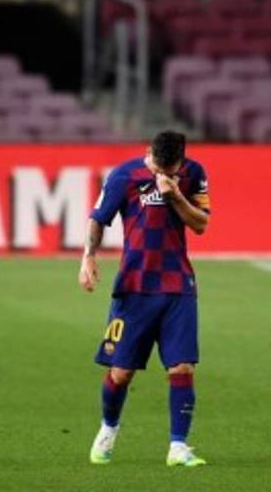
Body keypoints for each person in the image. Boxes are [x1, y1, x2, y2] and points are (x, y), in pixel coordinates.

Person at [79, 130, 211, 468]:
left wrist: (176, 196)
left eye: (171, 169)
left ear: (181, 160)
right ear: (148, 152)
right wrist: (88, 257)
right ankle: (109, 428)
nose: (164, 174)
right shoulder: (125, 175)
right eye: (160, 167)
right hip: (135, 287)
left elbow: (201, 224)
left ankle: (178, 446)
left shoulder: (193, 173)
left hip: (178, 285)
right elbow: (98, 219)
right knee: (121, 373)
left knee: (182, 366)